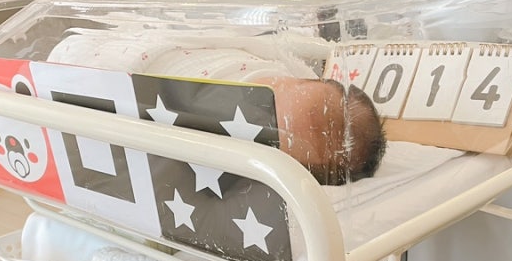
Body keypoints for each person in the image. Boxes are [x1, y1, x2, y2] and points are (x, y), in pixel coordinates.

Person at [47, 32, 386, 185]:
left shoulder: (230, 138)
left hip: (147, 84)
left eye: (270, 124)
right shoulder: (274, 64)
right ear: (303, 78)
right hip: (158, 52)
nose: (265, 106)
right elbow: (247, 40)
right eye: (314, 110)